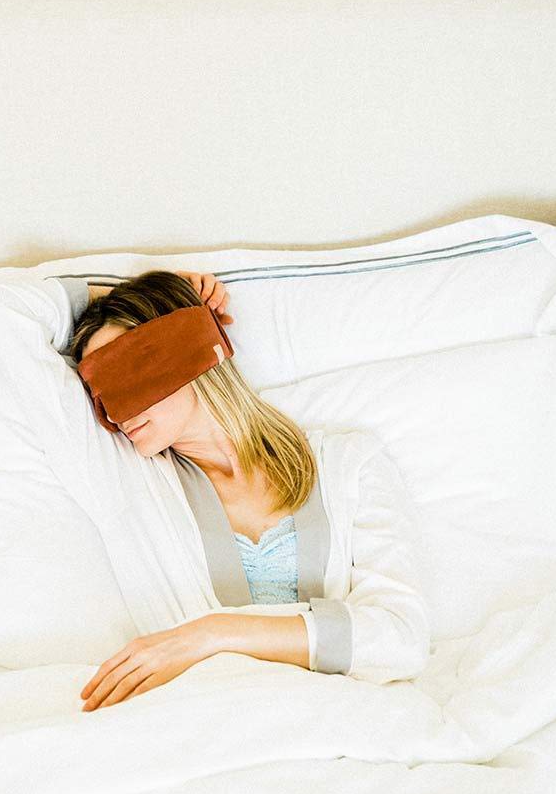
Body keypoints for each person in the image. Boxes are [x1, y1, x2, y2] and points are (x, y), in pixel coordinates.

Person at [57, 270, 430, 711]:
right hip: (209, 717)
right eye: (97, 390)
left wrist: (210, 633)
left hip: (344, 716)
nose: (113, 411)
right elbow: (3, 309)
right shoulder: (134, 482)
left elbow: (401, 638)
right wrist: (110, 293)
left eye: (124, 371)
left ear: (189, 345)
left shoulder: (350, 465)